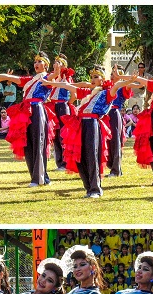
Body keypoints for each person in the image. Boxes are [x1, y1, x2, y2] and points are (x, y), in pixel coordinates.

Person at [47, 65, 134, 198]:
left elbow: (117, 86)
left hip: (93, 124)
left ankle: (95, 188)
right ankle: (88, 187)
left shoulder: (107, 93)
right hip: (80, 124)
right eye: (92, 77)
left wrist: (126, 81)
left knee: (92, 156)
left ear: (102, 79)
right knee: (79, 156)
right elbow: (71, 87)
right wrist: (49, 83)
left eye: (96, 77)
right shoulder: (87, 92)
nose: (92, 79)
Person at [0, 52, 56, 187]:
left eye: (39, 62)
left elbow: (54, 76)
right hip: (25, 112)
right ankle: (34, 177)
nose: (36, 64)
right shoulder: (29, 80)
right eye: (35, 62)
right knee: (28, 144)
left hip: (37, 110)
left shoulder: (47, 78)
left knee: (38, 143)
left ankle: (40, 178)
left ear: (46, 65)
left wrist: (57, 69)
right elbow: (7, 77)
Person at [46, 54, 73, 170]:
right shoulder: (52, 77)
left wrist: (68, 104)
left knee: (64, 135)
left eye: (59, 63)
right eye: (55, 62)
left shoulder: (67, 78)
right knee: (55, 134)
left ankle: (67, 162)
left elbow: (73, 93)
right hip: (53, 106)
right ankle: (59, 162)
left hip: (63, 105)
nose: (55, 64)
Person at [107, 64, 134, 177]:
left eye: (115, 74)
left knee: (115, 142)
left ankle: (116, 169)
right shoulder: (108, 86)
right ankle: (109, 166)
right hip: (105, 114)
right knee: (107, 142)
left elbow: (133, 83)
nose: (112, 76)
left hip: (114, 113)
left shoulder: (123, 87)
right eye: (112, 74)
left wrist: (122, 78)